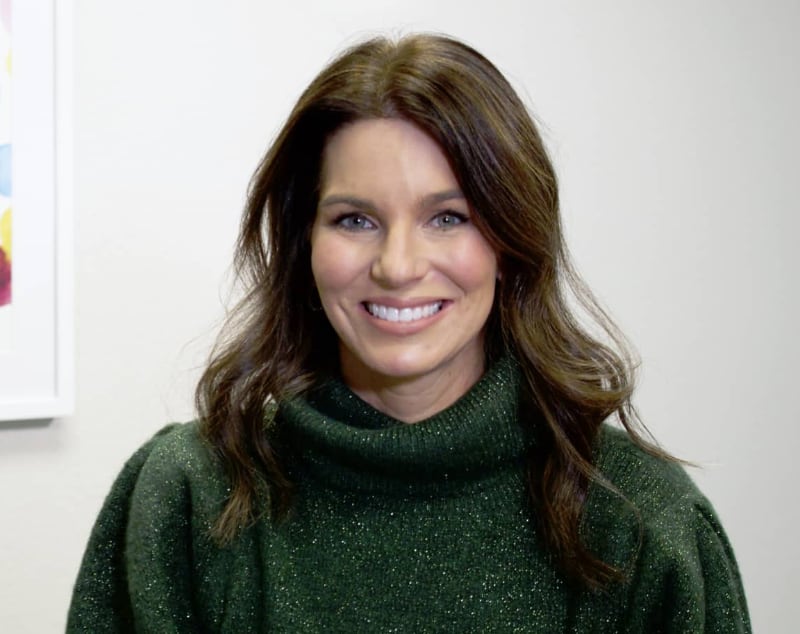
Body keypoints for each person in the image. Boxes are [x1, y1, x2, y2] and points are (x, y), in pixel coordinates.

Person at [67, 33, 751, 632]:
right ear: (303, 242)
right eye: (354, 220)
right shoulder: (186, 496)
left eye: (448, 217)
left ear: (511, 243)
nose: (398, 266)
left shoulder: (643, 525)